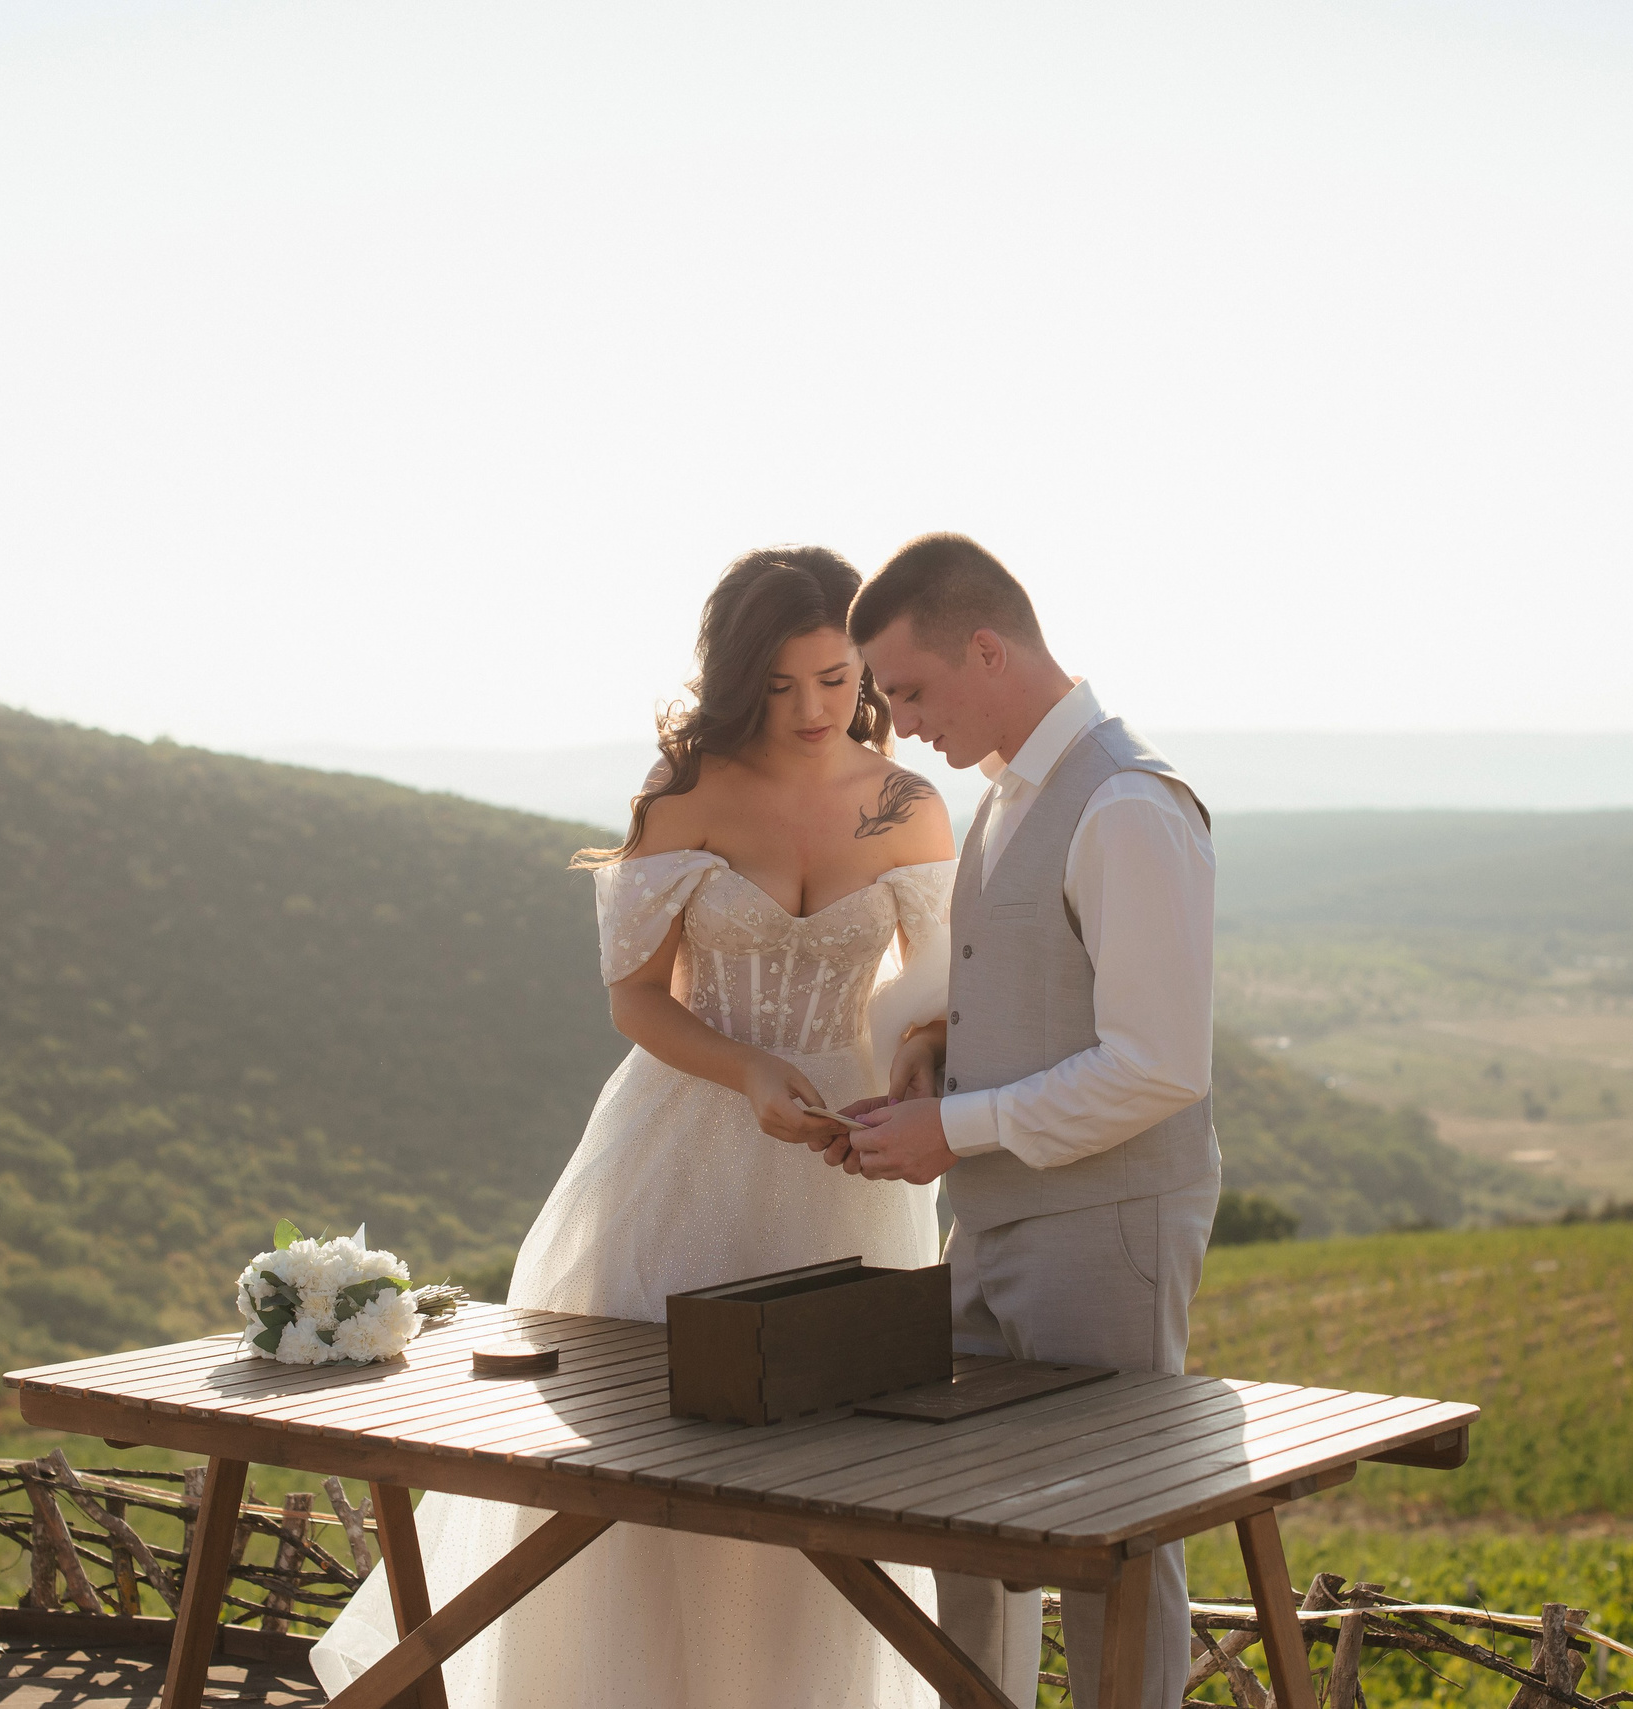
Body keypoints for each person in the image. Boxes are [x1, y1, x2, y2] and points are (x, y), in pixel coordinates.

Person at [309, 546, 958, 1709]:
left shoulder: (909, 804)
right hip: (686, 1147)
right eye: (776, 685)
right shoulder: (684, 787)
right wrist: (750, 1067)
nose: (810, 709)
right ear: (735, 675)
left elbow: (934, 998)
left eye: (831, 678)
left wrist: (909, 1076)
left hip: (849, 1167)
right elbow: (636, 997)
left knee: (836, 1472)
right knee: (647, 1462)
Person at [840, 532, 1220, 1709]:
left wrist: (958, 1131)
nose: (898, 725)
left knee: (1116, 1535)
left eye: (908, 690)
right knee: (965, 1520)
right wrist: (933, 1057)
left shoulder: (1125, 804)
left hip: (1103, 1226)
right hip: (994, 1218)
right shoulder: (1007, 795)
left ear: (989, 647)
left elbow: (1157, 1067)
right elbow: (1037, 989)